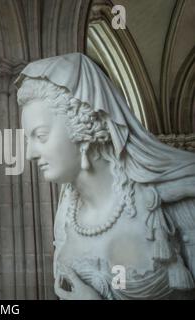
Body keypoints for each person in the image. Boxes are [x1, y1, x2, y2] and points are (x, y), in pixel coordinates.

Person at [16, 53, 195, 299]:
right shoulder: (66, 211)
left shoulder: (172, 202)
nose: (30, 154)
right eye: (28, 140)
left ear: (81, 124)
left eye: (40, 136)